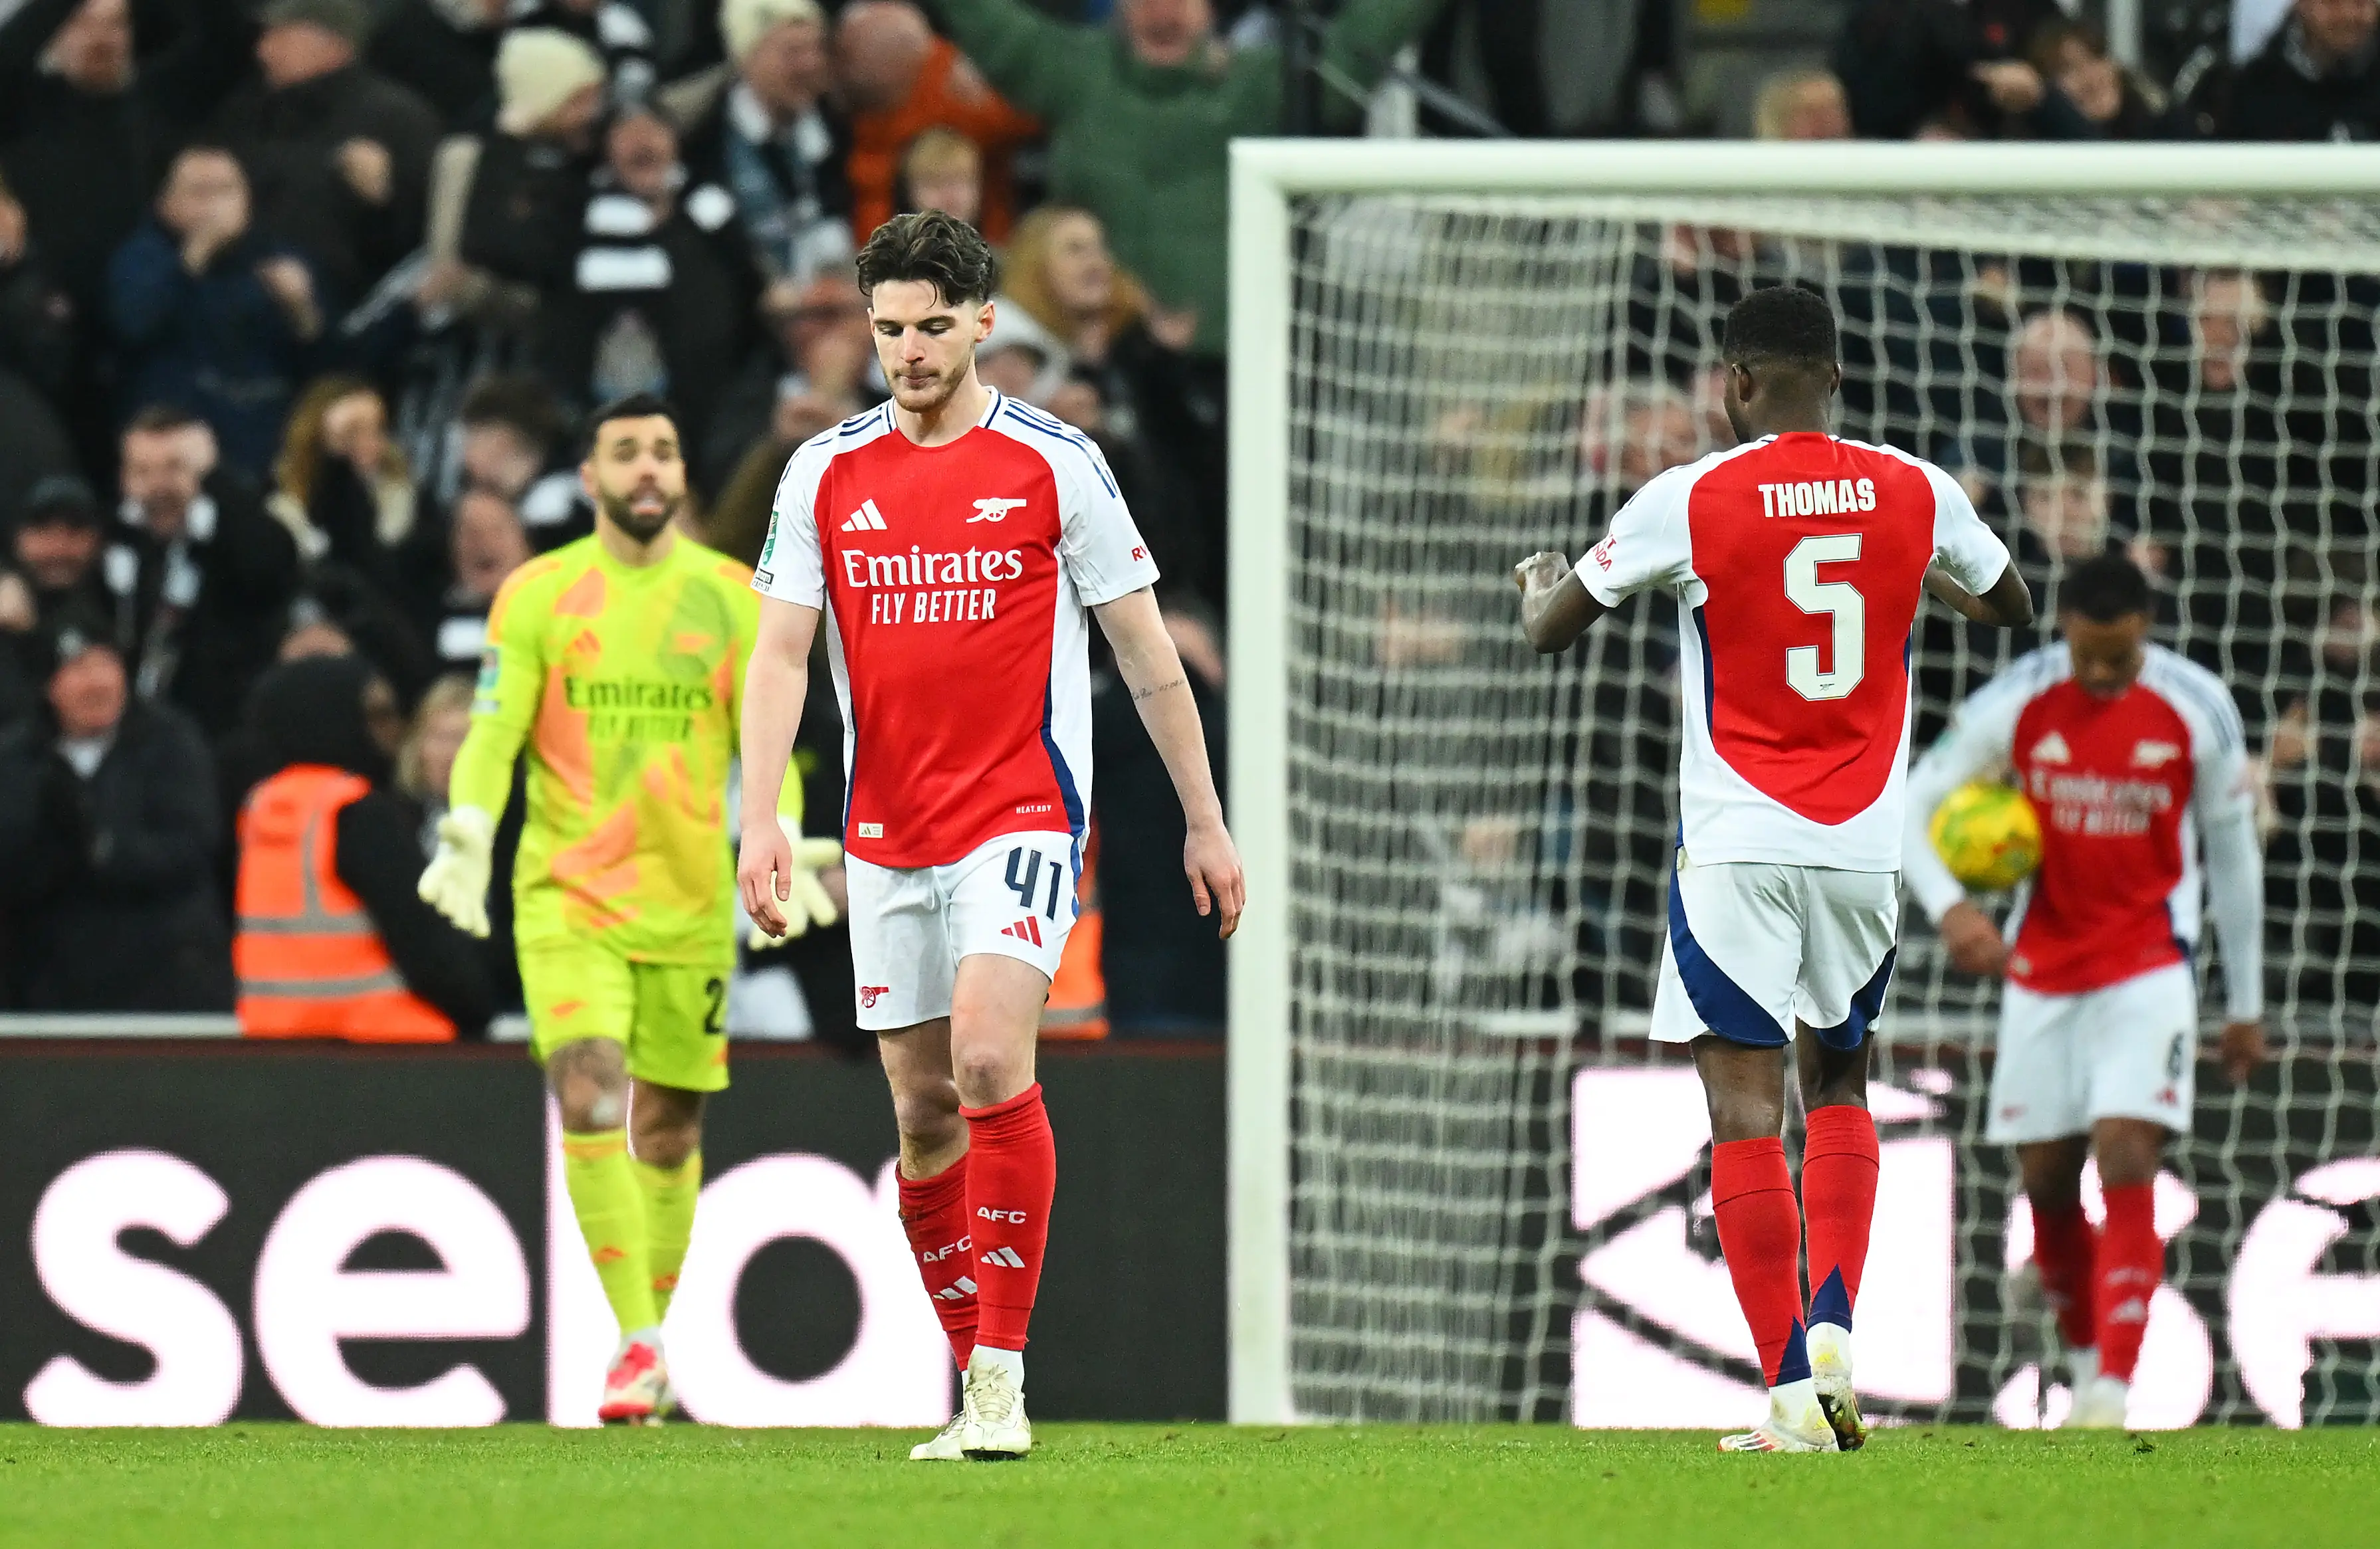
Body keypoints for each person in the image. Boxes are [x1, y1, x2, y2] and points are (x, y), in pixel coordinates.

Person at [736, 211, 1244, 1461]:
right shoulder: (826, 473)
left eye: (928, 327)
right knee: (918, 1116)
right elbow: (781, 657)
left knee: (981, 1062)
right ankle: (973, 1370)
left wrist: (1205, 821)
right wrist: (763, 818)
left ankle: (1003, 1379)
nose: (906, 351)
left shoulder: (1056, 463)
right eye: (887, 328)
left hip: (1018, 811)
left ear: (980, 324)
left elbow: (1148, 654)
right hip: (882, 828)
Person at [1513, 285, 2032, 1452]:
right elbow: (2012, 602)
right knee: (1840, 1085)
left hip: (1739, 843)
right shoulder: (1914, 486)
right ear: (1835, 380)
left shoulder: (1689, 497)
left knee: (1743, 1116)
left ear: (1735, 382)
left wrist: (1537, 585)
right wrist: (1919, 586)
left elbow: (1553, 631)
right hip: (1863, 847)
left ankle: (1793, 1395)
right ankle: (1839, 1322)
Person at [416, 393, 839, 1424]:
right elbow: (492, 725)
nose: (648, 467)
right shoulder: (539, 593)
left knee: (670, 1120)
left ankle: (641, 1339)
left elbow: (766, 740)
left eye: (664, 449)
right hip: (565, 896)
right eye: (626, 453)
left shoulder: (737, 597)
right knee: (593, 1087)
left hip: (689, 900)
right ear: (591, 476)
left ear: (683, 473)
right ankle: (638, 1340)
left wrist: (776, 827)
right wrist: (469, 822)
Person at [1901, 553, 2263, 1429]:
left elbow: (2233, 854)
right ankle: (2086, 1355)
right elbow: (1915, 801)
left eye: (2122, 656)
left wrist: (2243, 1001)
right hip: (2041, 969)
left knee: (2127, 1153)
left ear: (2145, 632)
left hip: (2149, 964)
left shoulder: (2197, 705)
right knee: (2047, 1179)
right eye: (2090, 655)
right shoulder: (2014, 701)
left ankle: (2108, 1390)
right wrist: (1953, 911)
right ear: (2063, 627)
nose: (2103, 673)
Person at [935, 0, 1445, 360]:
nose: (1164, 11)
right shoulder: (1078, 75)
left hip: (1238, 367)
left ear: (1209, 10)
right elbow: (992, 23)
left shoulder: (1257, 85)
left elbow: (1356, 49)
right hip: (1105, 362)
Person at [236, 655, 496, 1041]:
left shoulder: (262, 808)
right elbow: (429, 949)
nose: (392, 730)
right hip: (383, 1049)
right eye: (377, 715)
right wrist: (478, 1011)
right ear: (336, 718)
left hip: (276, 1041)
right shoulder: (355, 813)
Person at [0, 607, 232, 1011]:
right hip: (50, 983)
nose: (95, 683)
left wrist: (103, 850)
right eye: (75, 669)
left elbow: (192, 845)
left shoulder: (171, 743)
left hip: (164, 977)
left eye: (104, 665)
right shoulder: (19, 758)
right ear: (46, 686)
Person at [107, 146, 324, 477]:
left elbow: (324, 363)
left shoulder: (281, 261)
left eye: (226, 191)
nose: (215, 206)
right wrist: (194, 258)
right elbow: (135, 325)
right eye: (199, 192)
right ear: (166, 202)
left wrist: (302, 310)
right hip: (179, 445)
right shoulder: (142, 257)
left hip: (267, 439)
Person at [209, 0, 443, 304]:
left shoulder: (399, 120)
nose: (263, 51)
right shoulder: (245, 114)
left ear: (332, 42)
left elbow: (425, 247)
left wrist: (383, 204)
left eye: (281, 35)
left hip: (345, 314)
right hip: (233, 304)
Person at [104, 407, 303, 737]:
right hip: (124, 734)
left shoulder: (231, 538)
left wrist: (217, 479)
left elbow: (271, 567)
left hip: (215, 732)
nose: (158, 487)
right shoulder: (110, 540)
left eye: (174, 468)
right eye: (142, 471)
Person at [835, 0, 1035, 242]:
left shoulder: (957, 86)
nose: (855, 73)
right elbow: (871, 192)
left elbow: (1036, 116)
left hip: (990, 242)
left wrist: (994, 85)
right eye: (846, 58)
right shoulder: (864, 110)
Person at [2222, 0, 2380, 141]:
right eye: (2332, 3)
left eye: (2361, 3)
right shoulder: (2256, 87)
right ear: (2301, 5)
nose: (2348, 15)